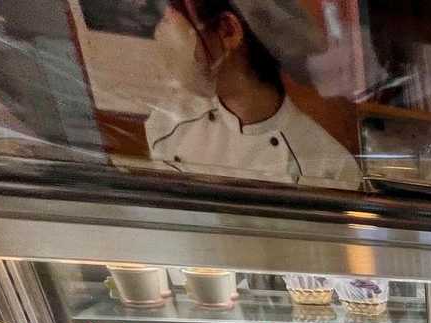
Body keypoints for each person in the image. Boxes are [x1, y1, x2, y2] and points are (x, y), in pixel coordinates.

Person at [147, 0, 360, 188]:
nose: (163, 28)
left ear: (228, 30)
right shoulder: (169, 121)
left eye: (173, 12)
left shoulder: (329, 169)